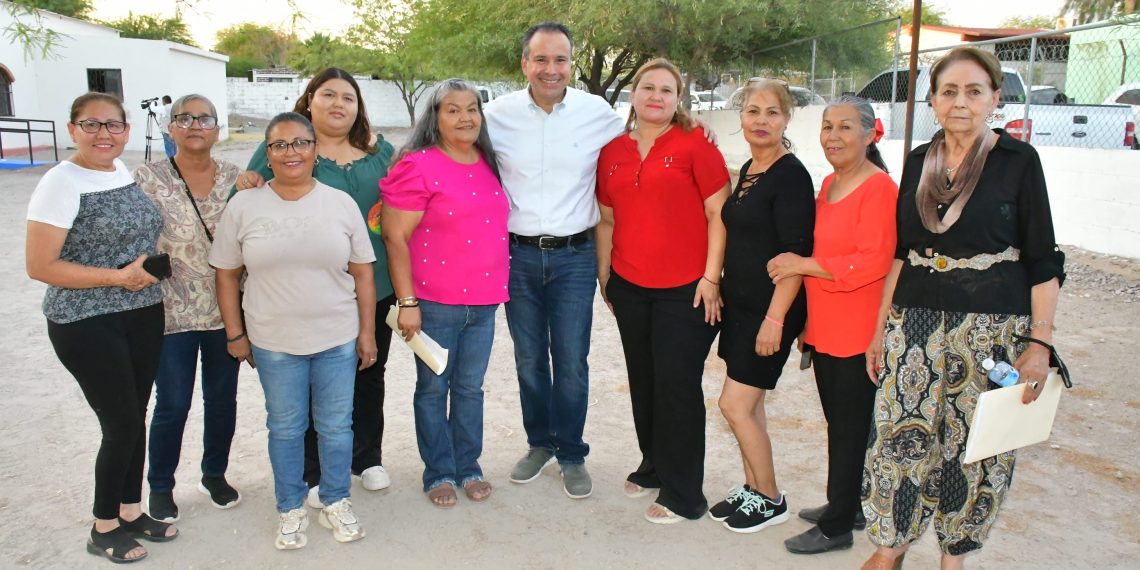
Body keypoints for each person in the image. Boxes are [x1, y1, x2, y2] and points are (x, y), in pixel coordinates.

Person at [859, 47, 1065, 570]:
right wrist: (881, 329)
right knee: (897, 440)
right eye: (949, 91)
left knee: (976, 449)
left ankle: (956, 557)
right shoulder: (916, 161)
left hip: (991, 329)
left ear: (995, 98)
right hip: (915, 324)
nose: (961, 102)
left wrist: (1039, 345)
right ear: (932, 99)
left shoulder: (1019, 162)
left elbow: (1043, 260)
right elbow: (901, 255)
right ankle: (891, 549)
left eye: (974, 91)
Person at [211, 112, 376, 549]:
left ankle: (336, 499)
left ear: (314, 150)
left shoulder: (339, 203)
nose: (291, 153)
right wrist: (235, 334)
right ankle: (290, 507)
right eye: (280, 145)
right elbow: (226, 274)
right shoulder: (244, 206)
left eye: (300, 143)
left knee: (337, 426)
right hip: (273, 340)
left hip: (336, 337)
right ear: (267, 154)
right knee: (285, 428)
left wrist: (367, 333)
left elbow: (362, 272)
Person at [26, 92, 177, 563]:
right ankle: (103, 524)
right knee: (122, 422)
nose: (103, 134)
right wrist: (118, 277)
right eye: (91, 125)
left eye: (113, 126)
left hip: (141, 312)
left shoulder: (122, 172)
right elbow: (40, 265)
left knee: (137, 414)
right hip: (86, 320)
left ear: (127, 131)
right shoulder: (59, 181)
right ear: (72, 129)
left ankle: (131, 511)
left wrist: (143, 274)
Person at [236, 68, 396, 505]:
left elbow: (408, 203)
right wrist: (247, 181)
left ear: (358, 106)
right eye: (328, 95)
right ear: (309, 101)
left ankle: (367, 458)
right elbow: (247, 201)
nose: (339, 104)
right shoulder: (288, 150)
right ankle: (310, 470)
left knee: (369, 371)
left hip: (372, 284)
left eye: (348, 97)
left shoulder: (380, 153)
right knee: (306, 384)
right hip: (306, 293)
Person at [484, 22, 624, 498]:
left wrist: (697, 124)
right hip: (516, 257)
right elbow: (444, 143)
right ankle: (538, 443)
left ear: (571, 65)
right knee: (528, 360)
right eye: (541, 59)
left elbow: (651, 128)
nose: (551, 69)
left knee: (571, 360)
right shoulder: (495, 115)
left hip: (574, 258)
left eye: (560, 60)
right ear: (524, 64)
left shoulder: (597, 113)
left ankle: (570, 452)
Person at [595, 58, 730, 524]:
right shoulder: (612, 151)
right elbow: (608, 220)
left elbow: (719, 215)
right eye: (648, 87)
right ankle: (653, 464)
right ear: (633, 95)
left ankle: (685, 493)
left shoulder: (695, 144)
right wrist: (604, 276)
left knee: (677, 387)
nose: (656, 96)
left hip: (687, 291)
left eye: (667, 90)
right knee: (644, 380)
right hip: (630, 286)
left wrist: (711, 278)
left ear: (678, 99)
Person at [765, 96, 898, 554]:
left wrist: (803, 263)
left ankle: (838, 525)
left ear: (870, 134)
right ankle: (848, 503)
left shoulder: (879, 188)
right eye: (826, 127)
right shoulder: (828, 184)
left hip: (856, 330)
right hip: (826, 326)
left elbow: (873, 261)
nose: (833, 136)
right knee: (841, 423)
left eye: (845, 127)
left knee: (848, 426)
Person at [380, 78, 510, 509]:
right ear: (434, 117)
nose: (465, 117)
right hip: (433, 303)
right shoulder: (417, 166)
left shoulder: (489, 161)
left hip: (485, 302)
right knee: (433, 390)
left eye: (472, 108)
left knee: (470, 389)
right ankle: (438, 470)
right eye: (452, 109)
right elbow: (396, 238)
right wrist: (407, 302)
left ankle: (468, 465)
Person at [707, 78, 815, 534]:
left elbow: (794, 256)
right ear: (741, 118)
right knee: (750, 406)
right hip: (742, 306)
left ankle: (770, 497)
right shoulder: (751, 168)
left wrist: (776, 319)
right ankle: (754, 487)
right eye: (753, 111)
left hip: (771, 310)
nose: (761, 120)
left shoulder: (791, 176)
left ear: (787, 118)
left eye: (772, 112)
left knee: (734, 404)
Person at [132, 94, 243, 523]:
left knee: (222, 400)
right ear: (171, 127)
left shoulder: (237, 179)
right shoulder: (148, 178)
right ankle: (161, 485)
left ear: (217, 128)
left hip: (225, 314)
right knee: (173, 403)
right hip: (169, 314)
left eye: (205, 118)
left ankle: (214, 473)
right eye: (185, 118)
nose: (195, 124)